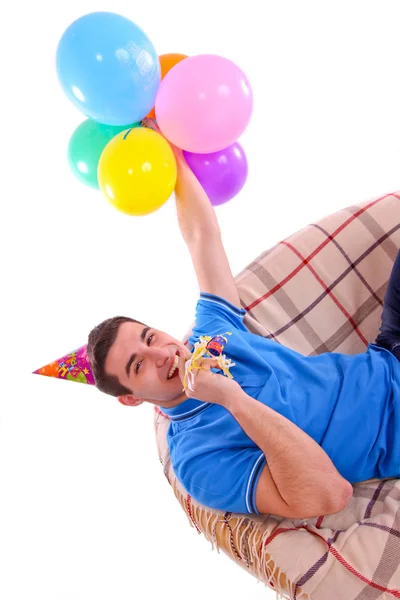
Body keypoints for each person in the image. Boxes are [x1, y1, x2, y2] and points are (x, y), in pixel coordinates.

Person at [87, 121, 400, 520]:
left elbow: (202, 236)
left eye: (149, 337)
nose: (161, 353)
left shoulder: (210, 334)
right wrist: (230, 398)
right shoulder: (197, 460)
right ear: (132, 398)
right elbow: (327, 495)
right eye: (138, 364)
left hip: (388, 352)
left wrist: (171, 150)